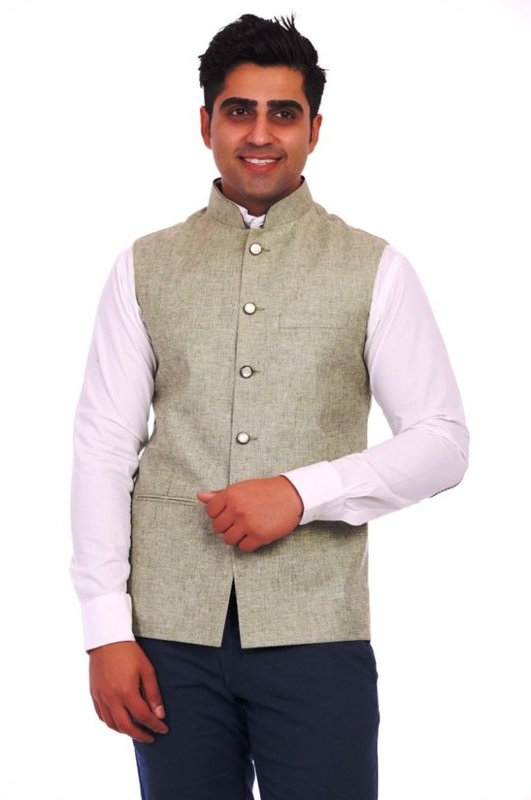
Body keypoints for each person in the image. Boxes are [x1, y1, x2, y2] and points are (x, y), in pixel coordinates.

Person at [70, 13, 469, 800]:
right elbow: (103, 448)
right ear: (206, 125)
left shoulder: (374, 268)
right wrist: (104, 629)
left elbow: (442, 441)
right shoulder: (144, 266)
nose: (260, 133)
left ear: (313, 129)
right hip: (167, 639)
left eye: (282, 113)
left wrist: (300, 491)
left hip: (316, 632)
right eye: (239, 111)